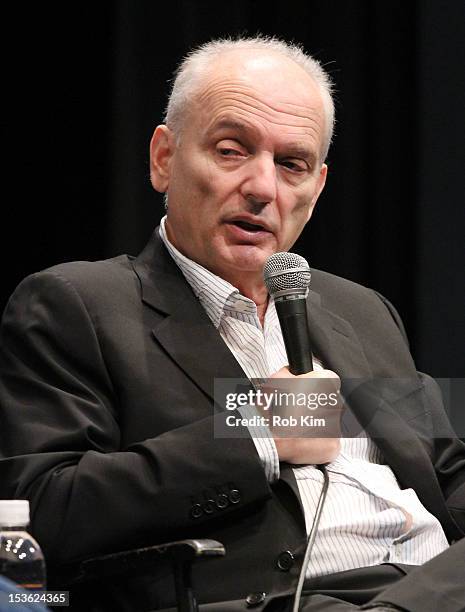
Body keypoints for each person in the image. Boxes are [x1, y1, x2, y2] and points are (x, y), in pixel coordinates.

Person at [0, 36, 464, 612]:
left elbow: (448, 471)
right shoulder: (76, 304)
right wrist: (257, 434)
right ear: (164, 158)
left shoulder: (361, 311)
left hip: (430, 584)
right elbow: (37, 513)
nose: (263, 188)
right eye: (230, 150)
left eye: (292, 164)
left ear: (316, 189)